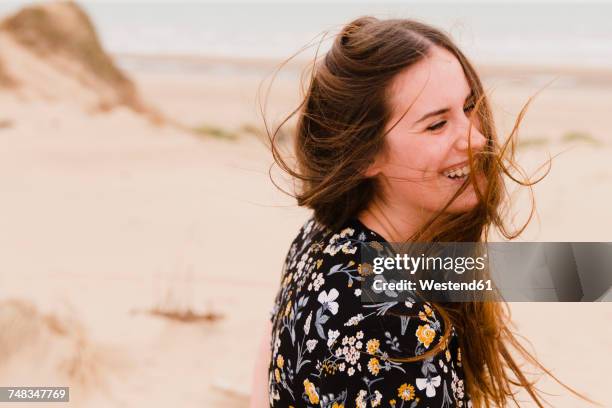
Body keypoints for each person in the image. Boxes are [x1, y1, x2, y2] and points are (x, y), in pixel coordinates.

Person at [250, 16, 589, 408]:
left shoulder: (326, 236)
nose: (476, 138)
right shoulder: (397, 328)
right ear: (364, 154)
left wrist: (596, 274)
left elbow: (266, 354)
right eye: (437, 125)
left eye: (469, 107)